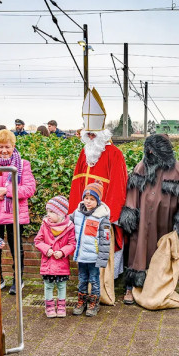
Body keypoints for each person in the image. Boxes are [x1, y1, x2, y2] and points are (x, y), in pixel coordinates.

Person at [119, 134, 179, 304]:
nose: (150, 152)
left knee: (161, 254)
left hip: (164, 220)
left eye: (153, 149)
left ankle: (156, 289)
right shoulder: (141, 167)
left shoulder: (178, 169)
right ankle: (131, 287)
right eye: (148, 149)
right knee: (137, 252)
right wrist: (130, 215)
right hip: (142, 219)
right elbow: (132, 193)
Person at [68, 88, 128, 279]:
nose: (91, 138)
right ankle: (88, 284)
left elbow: (118, 187)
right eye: (89, 135)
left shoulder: (115, 154)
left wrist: (107, 214)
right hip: (85, 212)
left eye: (94, 134)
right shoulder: (84, 153)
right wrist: (77, 210)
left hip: (103, 213)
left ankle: (106, 284)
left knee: (104, 251)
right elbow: (77, 184)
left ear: (102, 133)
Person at [0, 129, 36, 295]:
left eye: (7, 147)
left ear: (13, 146)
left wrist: (7, 191)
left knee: (16, 248)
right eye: (0, 146)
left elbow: (29, 189)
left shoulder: (23, 164)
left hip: (14, 214)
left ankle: (18, 279)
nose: (4, 150)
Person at [70, 182, 112, 317]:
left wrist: (102, 259)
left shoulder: (102, 217)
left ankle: (94, 303)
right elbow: (66, 222)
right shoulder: (77, 213)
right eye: (86, 198)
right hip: (81, 255)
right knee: (82, 279)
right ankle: (81, 301)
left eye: (92, 199)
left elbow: (105, 240)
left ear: (98, 201)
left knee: (94, 280)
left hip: (94, 257)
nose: (88, 201)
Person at [33, 196, 75, 318]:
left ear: (61, 214)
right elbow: (38, 241)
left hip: (61, 263)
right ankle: (49, 307)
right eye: (48, 211)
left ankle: (61, 306)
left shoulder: (69, 227)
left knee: (62, 285)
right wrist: (47, 250)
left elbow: (72, 243)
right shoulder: (45, 225)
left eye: (52, 212)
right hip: (48, 263)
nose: (48, 214)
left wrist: (62, 252)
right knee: (48, 285)